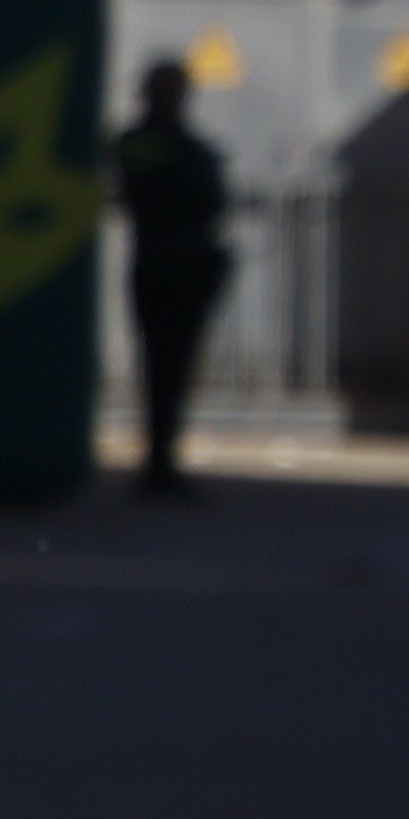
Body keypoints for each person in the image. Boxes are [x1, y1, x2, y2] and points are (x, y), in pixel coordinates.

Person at [116, 55, 234, 501]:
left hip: (151, 261)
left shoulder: (133, 142)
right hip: (185, 264)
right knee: (175, 365)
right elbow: (211, 200)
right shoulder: (188, 148)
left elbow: (130, 192)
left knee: (156, 364)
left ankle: (158, 458)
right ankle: (162, 462)